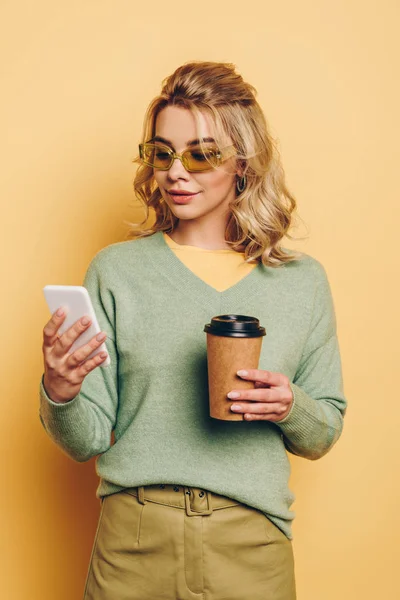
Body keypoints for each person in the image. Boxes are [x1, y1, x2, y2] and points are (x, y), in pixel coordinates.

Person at [39, 61, 347, 600]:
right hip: (133, 544)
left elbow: (323, 431)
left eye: (201, 154)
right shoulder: (117, 271)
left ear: (244, 163)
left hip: (251, 545)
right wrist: (60, 391)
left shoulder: (302, 282)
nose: (177, 172)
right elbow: (86, 439)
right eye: (162, 153)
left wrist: (288, 404)